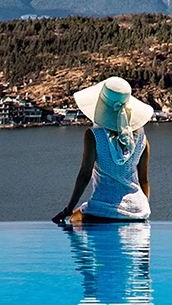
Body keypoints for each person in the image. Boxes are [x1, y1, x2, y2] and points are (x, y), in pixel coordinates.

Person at [52, 76, 153, 224]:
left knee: (75, 219)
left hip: (105, 208)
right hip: (138, 211)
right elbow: (144, 180)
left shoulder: (94, 136)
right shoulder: (142, 139)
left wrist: (68, 209)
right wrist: (142, 209)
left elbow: (84, 176)